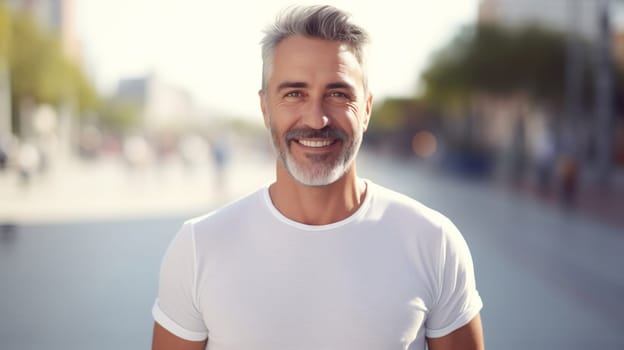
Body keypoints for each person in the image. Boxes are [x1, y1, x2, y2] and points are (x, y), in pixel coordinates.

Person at [152, 5, 484, 350]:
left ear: (367, 109)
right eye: (294, 93)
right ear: (265, 109)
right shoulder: (198, 246)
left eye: (338, 94)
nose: (316, 118)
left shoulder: (434, 242)